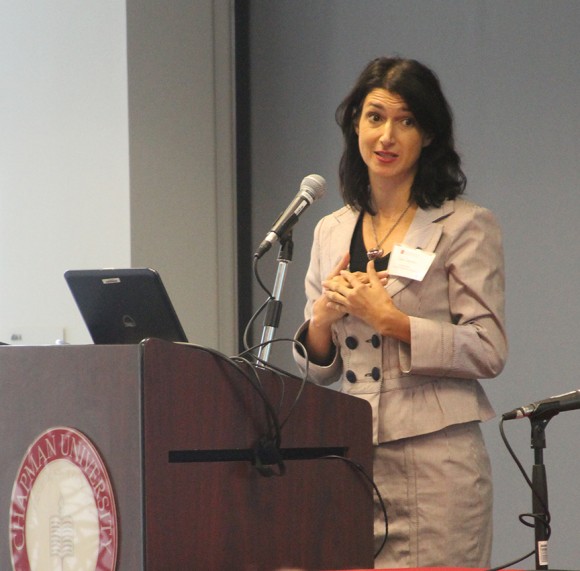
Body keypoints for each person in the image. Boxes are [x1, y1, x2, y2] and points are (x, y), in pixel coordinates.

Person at [293, 57, 507, 568]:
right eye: (374, 117)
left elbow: (489, 347)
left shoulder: (465, 225)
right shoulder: (330, 230)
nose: (386, 135)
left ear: (429, 134)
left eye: (406, 120)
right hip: (353, 460)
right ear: (355, 126)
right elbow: (316, 368)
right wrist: (321, 319)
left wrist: (393, 321)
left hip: (439, 466)